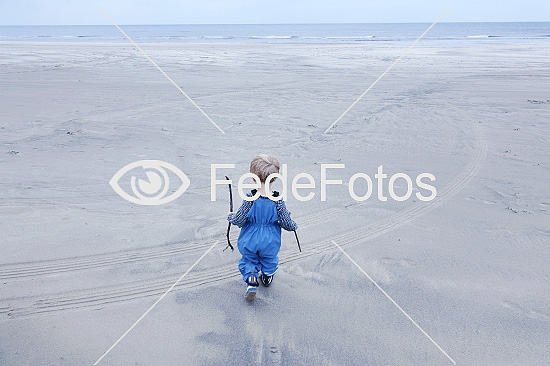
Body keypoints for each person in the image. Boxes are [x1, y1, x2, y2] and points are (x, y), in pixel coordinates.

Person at [227, 154, 298, 302]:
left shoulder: (249, 198)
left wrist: (231, 217)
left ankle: (252, 277)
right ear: (275, 179)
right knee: (269, 259)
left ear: (253, 178)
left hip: (250, 237)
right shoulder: (278, 200)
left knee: (249, 259)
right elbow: (286, 222)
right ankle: (266, 276)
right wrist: (293, 225)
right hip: (270, 239)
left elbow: (239, 218)